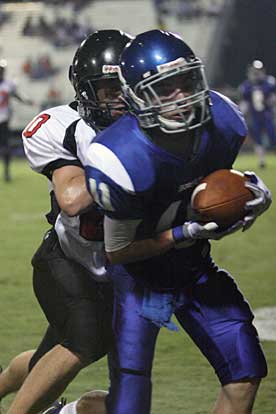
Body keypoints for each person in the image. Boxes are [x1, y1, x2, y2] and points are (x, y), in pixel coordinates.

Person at [84, 30, 271, 414]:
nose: (181, 97)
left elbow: (217, 185)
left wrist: (249, 190)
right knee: (129, 403)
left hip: (193, 268)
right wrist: (183, 231)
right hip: (139, 280)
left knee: (245, 373)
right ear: (134, 95)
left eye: (186, 83)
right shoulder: (119, 157)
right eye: (164, 88)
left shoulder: (224, 120)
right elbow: (118, 252)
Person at [7, 29, 132, 414]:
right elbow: (73, 200)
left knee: (48, 358)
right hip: (66, 262)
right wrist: (139, 169)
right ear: (86, 91)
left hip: (114, 270)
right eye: (109, 90)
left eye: (127, 87)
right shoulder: (68, 126)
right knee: (84, 341)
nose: (121, 100)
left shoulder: (153, 128)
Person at [0, 59, 33, 182]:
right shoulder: (7, 85)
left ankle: (7, 172)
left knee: (5, 147)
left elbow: (17, 95)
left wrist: (27, 101)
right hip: (3, 118)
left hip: (3, 120)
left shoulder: (8, 84)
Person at [239, 59, 276, 168]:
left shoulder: (269, 82)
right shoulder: (246, 86)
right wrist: (240, 114)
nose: (256, 74)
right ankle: (261, 161)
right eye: (254, 71)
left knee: (273, 136)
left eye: (258, 71)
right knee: (258, 138)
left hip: (268, 114)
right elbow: (244, 103)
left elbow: (273, 98)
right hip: (254, 116)